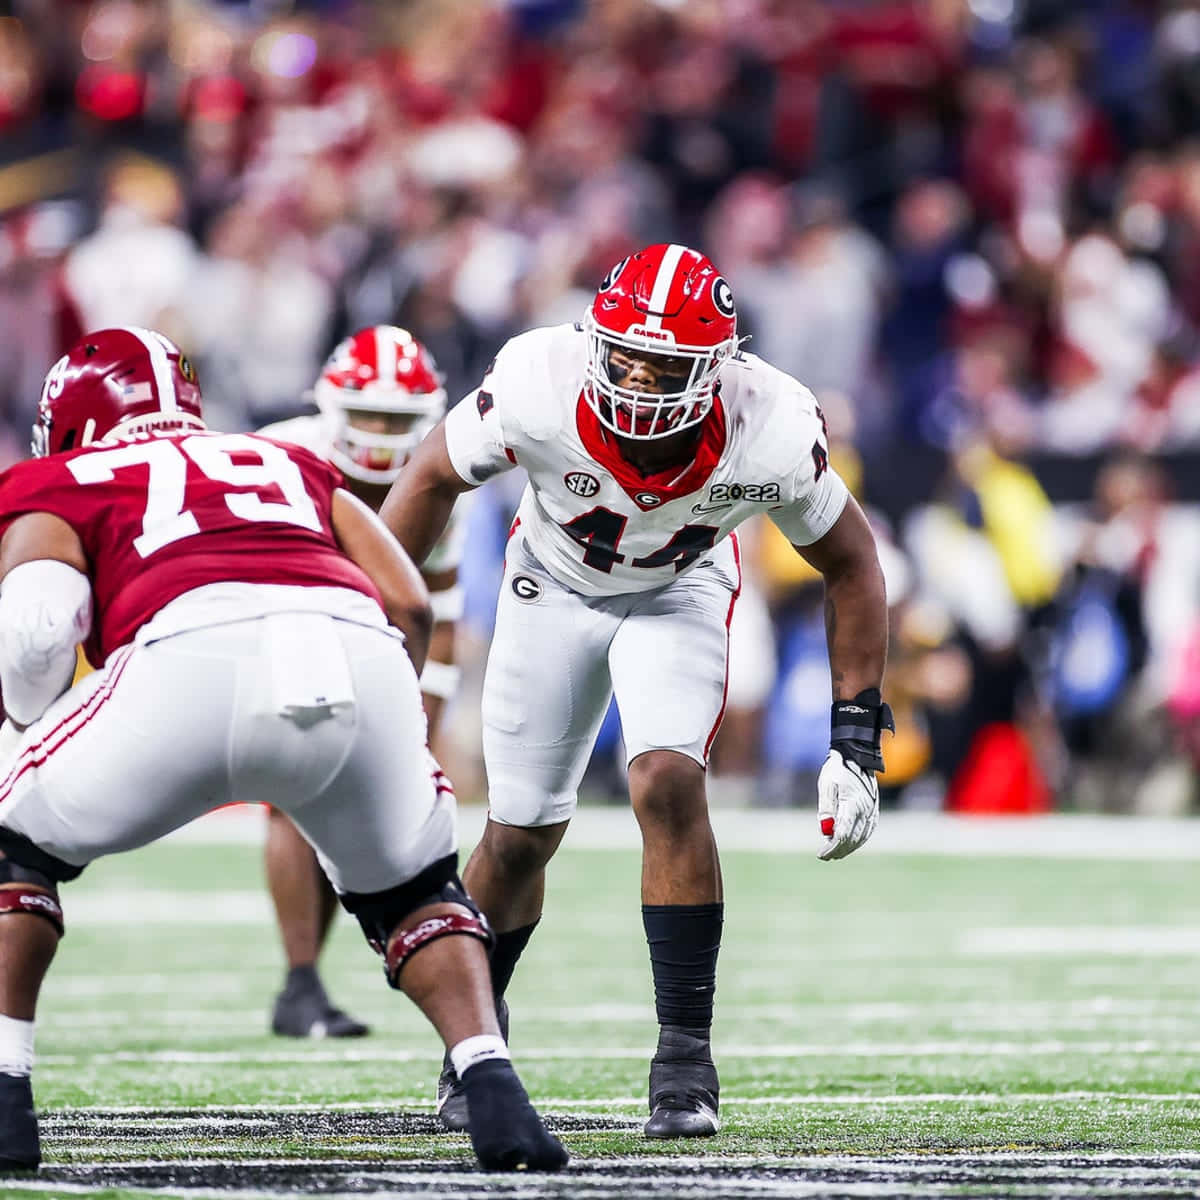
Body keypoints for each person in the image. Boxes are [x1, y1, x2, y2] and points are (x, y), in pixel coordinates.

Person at [0, 328, 566, 1173]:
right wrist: (384, 729)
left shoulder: (60, 476)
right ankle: (495, 1091)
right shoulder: (285, 463)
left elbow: (39, 634)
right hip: (350, 656)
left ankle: (7, 1096)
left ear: (75, 424)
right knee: (416, 890)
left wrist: (30, 729)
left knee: (13, 843)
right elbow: (408, 603)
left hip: (180, 658)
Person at [379, 244, 893, 1139]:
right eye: (627, 354)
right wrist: (376, 624)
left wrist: (856, 738)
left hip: (680, 588)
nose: (641, 378)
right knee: (519, 835)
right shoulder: (538, 379)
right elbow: (428, 477)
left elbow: (852, 562)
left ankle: (685, 1066)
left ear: (718, 370)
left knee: (666, 780)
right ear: (595, 339)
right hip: (551, 582)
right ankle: (475, 1045)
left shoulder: (769, 422)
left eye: (668, 364)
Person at [257, 326, 464, 1039]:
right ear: (332, 406)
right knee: (292, 798)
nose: (380, 434)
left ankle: (309, 983)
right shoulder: (283, 452)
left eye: (398, 420)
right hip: (276, 614)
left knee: (346, 805)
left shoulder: (438, 472)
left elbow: (442, 600)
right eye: (368, 415)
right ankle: (301, 980)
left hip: (371, 638)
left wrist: (422, 715)